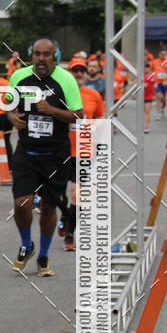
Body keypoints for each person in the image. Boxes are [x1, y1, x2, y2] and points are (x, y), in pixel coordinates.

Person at [5, 38, 83, 276]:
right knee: (21, 203)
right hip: (27, 153)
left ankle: (44, 256)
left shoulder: (66, 79)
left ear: (54, 56)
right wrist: (11, 116)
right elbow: (8, 104)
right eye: (37, 54)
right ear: (31, 55)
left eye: (46, 54)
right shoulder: (18, 77)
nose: (40, 59)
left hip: (56, 155)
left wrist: (52, 110)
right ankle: (27, 244)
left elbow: (78, 115)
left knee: (49, 208)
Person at [60, 57, 105, 250]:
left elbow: (102, 115)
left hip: (84, 150)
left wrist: (95, 126)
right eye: (74, 70)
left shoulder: (93, 94)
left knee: (76, 194)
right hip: (60, 149)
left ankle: (70, 234)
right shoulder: (61, 94)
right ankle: (64, 215)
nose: (78, 74)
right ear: (69, 73)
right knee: (54, 194)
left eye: (81, 71)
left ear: (86, 74)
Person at [144, 61, 156, 133]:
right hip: (142, 96)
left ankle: (146, 126)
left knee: (147, 110)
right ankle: (142, 125)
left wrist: (155, 86)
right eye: (144, 68)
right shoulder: (141, 75)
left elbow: (156, 82)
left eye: (147, 68)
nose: (145, 69)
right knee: (143, 111)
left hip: (149, 96)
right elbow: (134, 84)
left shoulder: (152, 75)